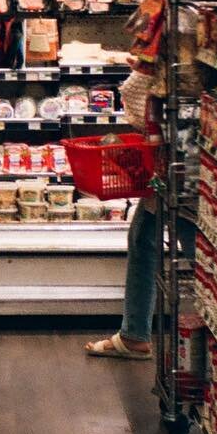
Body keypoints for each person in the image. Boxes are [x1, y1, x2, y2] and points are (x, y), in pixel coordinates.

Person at [86, 67, 161, 361]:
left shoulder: (168, 29)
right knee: (143, 236)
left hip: (183, 157)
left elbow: (133, 92)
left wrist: (142, 66)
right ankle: (134, 334)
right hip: (179, 154)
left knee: (197, 251)